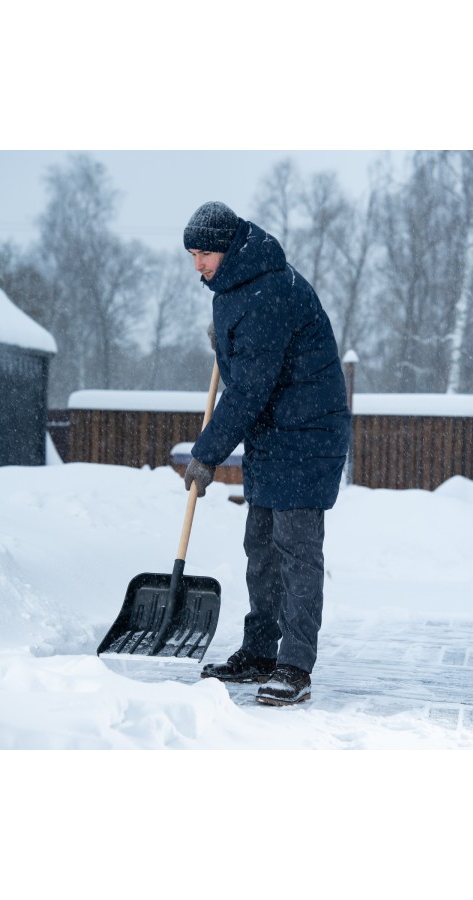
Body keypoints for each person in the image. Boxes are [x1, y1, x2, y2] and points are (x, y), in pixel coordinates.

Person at [183, 201, 351, 706]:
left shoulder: (270, 288)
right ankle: (259, 651)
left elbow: (252, 387)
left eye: (205, 253)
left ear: (230, 247)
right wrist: (226, 348)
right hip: (272, 436)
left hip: (307, 435)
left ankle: (294, 665)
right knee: (261, 549)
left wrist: (207, 453)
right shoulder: (232, 286)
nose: (198, 265)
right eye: (192, 254)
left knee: (297, 554)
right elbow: (249, 369)